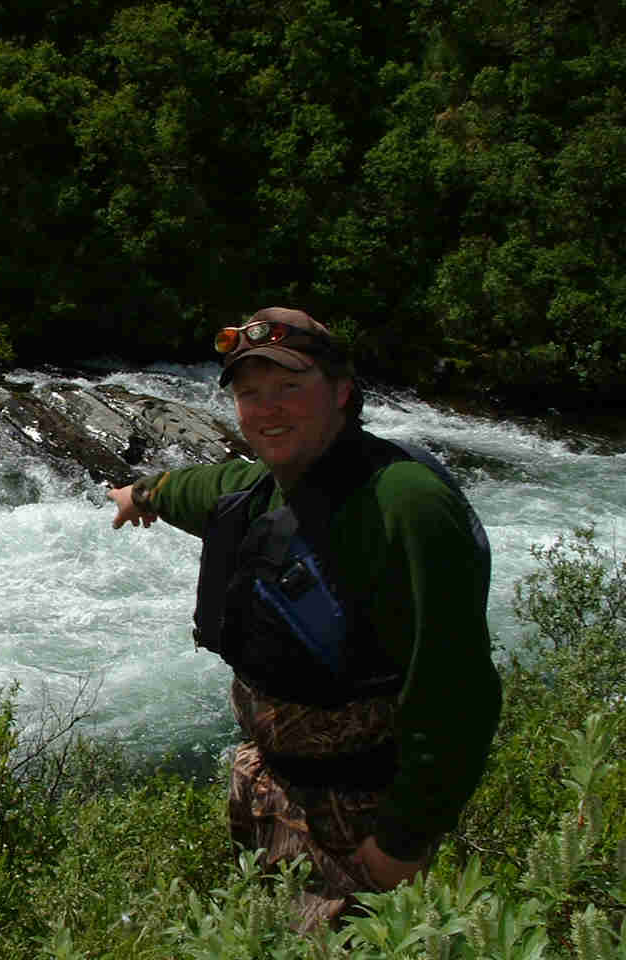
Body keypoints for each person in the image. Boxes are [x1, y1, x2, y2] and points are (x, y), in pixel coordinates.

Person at [107, 307, 501, 930]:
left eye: (290, 387)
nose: (268, 409)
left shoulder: (406, 503)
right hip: (268, 793)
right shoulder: (264, 486)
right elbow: (198, 488)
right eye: (250, 394)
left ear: (341, 391)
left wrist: (403, 841)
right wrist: (141, 494)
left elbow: (458, 694)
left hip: (358, 820)